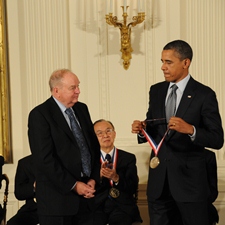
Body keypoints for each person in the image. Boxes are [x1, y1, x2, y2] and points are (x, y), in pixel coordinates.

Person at [131, 40, 224, 225]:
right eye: (162, 61)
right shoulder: (156, 90)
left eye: (168, 62)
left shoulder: (204, 94)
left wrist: (190, 130)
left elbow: (217, 139)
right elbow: (154, 127)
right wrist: (142, 130)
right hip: (159, 184)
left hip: (189, 185)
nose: (163, 67)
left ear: (186, 62)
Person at [27, 69, 100, 225]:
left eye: (78, 86)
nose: (78, 91)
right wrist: (73, 185)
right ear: (57, 91)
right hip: (57, 203)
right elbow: (44, 159)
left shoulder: (82, 109)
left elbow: (92, 147)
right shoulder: (40, 115)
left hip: (87, 200)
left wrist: (93, 178)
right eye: (73, 88)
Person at [93, 119, 142, 225]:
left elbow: (132, 187)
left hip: (122, 207)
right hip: (97, 207)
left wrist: (116, 178)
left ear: (114, 134)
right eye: (99, 133)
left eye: (108, 131)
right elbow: (85, 187)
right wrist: (99, 176)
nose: (105, 135)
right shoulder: (90, 160)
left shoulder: (128, 158)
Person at [7, 155, 39, 225]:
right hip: (33, 209)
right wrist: (34, 187)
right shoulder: (24, 163)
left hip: (56, 208)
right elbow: (19, 193)